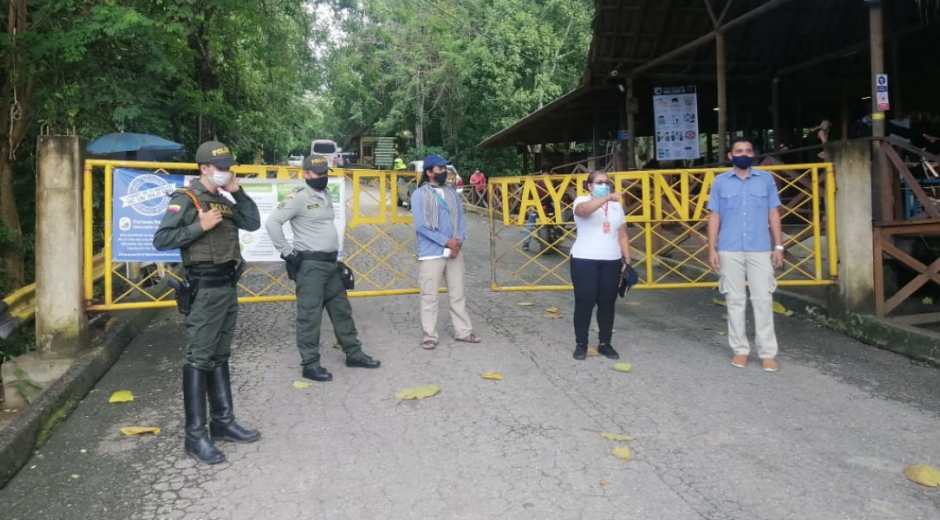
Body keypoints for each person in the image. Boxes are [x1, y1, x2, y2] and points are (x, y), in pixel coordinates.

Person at [153, 140, 261, 464]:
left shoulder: (223, 199)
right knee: (199, 358)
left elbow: (253, 222)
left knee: (219, 354)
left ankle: (223, 422)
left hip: (227, 287)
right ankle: (195, 436)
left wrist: (237, 191)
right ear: (204, 169)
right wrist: (200, 226)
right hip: (205, 289)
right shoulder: (185, 199)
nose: (226, 171)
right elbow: (162, 240)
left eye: (229, 166)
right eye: (220, 167)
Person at [264, 155, 380, 382]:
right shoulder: (298, 197)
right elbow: (272, 222)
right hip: (310, 266)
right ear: (306, 173)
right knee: (309, 316)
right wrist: (287, 253)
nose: (323, 176)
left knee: (341, 310)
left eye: (326, 172)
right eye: (319, 173)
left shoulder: (325, 194)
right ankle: (310, 364)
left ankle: (353, 354)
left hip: (330, 263)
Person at [706, 137, 784, 372]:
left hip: (759, 247)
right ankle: (740, 350)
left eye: (748, 151)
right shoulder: (720, 182)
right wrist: (712, 247)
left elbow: (773, 212)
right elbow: (714, 216)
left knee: (763, 299)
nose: (743, 154)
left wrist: (778, 245)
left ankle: (767, 353)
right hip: (729, 247)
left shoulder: (765, 180)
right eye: (738, 151)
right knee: (735, 300)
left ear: (753, 154)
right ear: (730, 155)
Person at [410, 153, 481, 350]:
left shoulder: (451, 192)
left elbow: (460, 218)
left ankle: (463, 332)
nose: (444, 173)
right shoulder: (419, 194)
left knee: (458, 293)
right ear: (429, 172)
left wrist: (459, 241)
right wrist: (446, 241)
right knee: (429, 296)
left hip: (454, 251)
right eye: (440, 170)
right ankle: (429, 336)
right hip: (431, 252)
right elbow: (421, 225)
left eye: (445, 169)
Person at [569, 171, 632, 361]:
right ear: (590, 186)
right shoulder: (581, 200)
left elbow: (622, 234)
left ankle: (605, 343)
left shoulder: (616, 207)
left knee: (607, 304)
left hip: (611, 260)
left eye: (606, 182)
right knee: (584, 302)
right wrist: (605, 198)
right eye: (599, 182)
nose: (604, 184)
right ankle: (581, 344)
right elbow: (583, 211)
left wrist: (627, 259)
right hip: (584, 259)